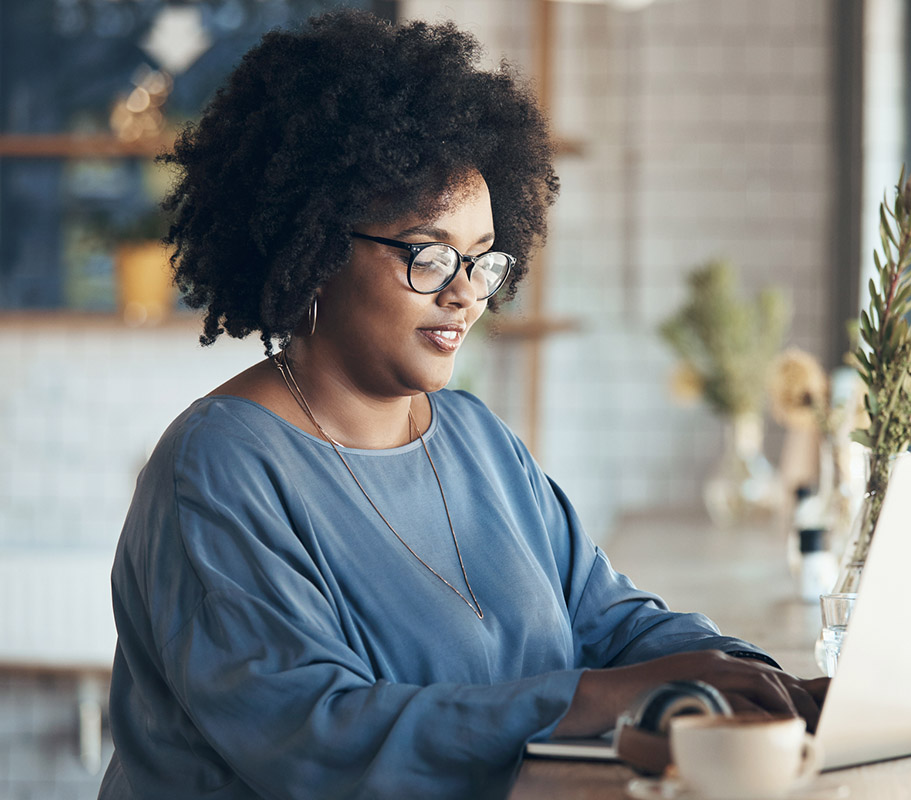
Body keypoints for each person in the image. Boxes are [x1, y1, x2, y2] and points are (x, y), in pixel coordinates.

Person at [100, 10, 827, 799]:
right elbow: (317, 739)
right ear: (311, 246)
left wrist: (752, 676)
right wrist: (594, 698)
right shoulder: (217, 468)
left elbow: (607, 619)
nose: (464, 294)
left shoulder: (477, 439)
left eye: (483, 261)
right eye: (429, 254)